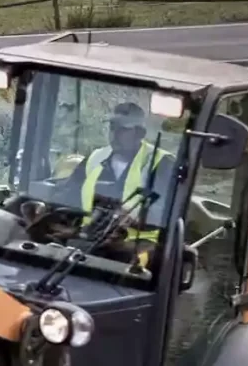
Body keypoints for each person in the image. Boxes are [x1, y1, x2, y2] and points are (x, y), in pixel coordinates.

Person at [56, 100, 175, 263]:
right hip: (91, 240)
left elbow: (166, 214)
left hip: (137, 247)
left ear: (140, 133)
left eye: (123, 130)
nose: (115, 134)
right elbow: (68, 195)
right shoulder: (95, 157)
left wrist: (131, 217)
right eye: (113, 127)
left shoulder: (160, 162)